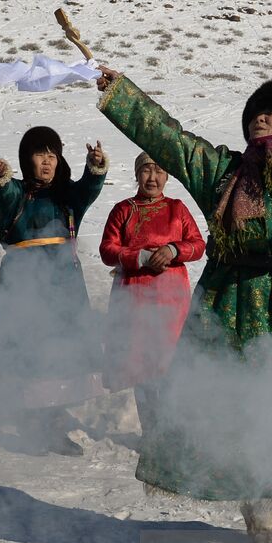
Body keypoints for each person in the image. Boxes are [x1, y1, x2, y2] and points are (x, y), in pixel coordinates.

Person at [94, 67, 272, 543]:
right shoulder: (223, 174)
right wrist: (120, 92)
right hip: (228, 307)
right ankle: (266, 529)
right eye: (255, 112)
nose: (260, 116)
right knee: (243, 418)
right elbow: (167, 137)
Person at [0, 127, 108, 455]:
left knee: (61, 354)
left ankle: (51, 421)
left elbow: (89, 188)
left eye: (52, 155)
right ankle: (30, 422)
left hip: (64, 286)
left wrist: (95, 166)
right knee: (28, 352)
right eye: (40, 155)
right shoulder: (16, 194)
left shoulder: (67, 196)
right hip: (23, 284)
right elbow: (1, 193)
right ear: (28, 159)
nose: (47, 161)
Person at [99, 153, 205, 429]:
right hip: (134, 297)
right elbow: (107, 250)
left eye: (159, 170)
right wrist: (140, 257)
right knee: (142, 364)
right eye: (146, 170)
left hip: (172, 299)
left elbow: (197, 245)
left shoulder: (177, 209)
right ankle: (151, 432)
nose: (153, 177)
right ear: (137, 175)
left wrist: (173, 249)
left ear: (168, 176)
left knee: (171, 363)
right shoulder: (124, 210)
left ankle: (171, 431)